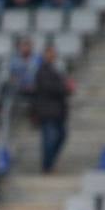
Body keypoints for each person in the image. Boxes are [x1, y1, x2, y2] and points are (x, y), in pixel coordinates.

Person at [33, 45, 71, 174]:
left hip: (58, 111)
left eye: (53, 53)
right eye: (49, 53)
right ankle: (47, 166)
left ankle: (50, 163)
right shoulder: (42, 71)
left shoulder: (56, 69)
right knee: (49, 139)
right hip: (47, 111)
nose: (52, 55)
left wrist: (65, 88)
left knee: (61, 136)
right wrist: (64, 88)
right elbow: (49, 88)